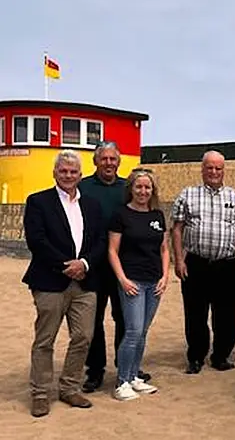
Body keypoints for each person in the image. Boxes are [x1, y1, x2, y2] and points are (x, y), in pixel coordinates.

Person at [23, 150, 106, 417]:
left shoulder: (92, 205)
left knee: (83, 337)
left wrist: (84, 264)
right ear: (55, 173)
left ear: (81, 175)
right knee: (45, 339)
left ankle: (69, 387)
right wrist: (66, 266)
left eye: (73, 172)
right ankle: (40, 393)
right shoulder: (38, 201)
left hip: (85, 281)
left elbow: (101, 241)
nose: (68, 176)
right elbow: (37, 241)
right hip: (49, 281)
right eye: (63, 171)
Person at [171, 150, 235, 374]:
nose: (214, 172)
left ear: (223, 170)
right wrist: (179, 260)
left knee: (226, 314)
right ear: (202, 169)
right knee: (195, 313)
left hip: (226, 265)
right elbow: (176, 229)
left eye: (218, 168)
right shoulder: (187, 195)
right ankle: (196, 357)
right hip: (195, 263)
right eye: (210, 168)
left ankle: (221, 356)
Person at [79, 141, 142, 393]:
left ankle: (125, 367)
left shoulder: (127, 187)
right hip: (93, 265)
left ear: (119, 161)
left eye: (113, 159)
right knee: (93, 321)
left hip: (123, 267)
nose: (108, 163)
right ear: (96, 161)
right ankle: (95, 371)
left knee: (125, 319)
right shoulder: (83, 187)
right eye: (103, 159)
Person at [107, 169, 169, 401]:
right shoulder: (121, 215)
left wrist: (164, 277)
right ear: (131, 189)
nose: (143, 191)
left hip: (154, 282)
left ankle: (133, 376)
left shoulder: (158, 216)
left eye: (147, 187)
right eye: (139, 187)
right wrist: (122, 279)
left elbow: (164, 249)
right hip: (132, 281)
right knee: (132, 331)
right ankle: (122, 381)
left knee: (142, 331)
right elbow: (112, 251)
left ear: (152, 190)